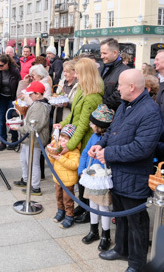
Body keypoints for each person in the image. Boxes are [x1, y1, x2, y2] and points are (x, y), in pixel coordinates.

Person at [89, 69, 163, 271]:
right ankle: (121, 249)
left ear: (132, 87)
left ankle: (137, 263)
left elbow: (142, 148)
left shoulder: (150, 111)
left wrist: (109, 154)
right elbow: (114, 131)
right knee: (120, 214)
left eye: (120, 85)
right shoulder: (125, 104)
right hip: (118, 172)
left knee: (136, 221)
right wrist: (101, 145)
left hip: (134, 175)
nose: (116, 89)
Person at [55, 58, 104, 224]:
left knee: (84, 175)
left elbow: (83, 125)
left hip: (86, 140)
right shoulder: (83, 91)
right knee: (81, 177)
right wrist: (61, 124)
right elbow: (73, 115)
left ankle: (87, 210)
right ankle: (82, 207)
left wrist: (68, 146)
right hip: (78, 137)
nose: (75, 75)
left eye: (77, 72)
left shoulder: (92, 97)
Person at [78, 104, 114, 251]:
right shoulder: (93, 137)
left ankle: (106, 234)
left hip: (103, 179)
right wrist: (81, 170)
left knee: (104, 207)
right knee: (92, 204)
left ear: (99, 125)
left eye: (92, 123)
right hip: (91, 177)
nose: (90, 125)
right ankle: (94, 230)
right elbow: (86, 152)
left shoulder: (109, 139)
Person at [13, 81, 51, 196]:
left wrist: (19, 129)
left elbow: (35, 126)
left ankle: (35, 186)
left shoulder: (40, 106)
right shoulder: (37, 103)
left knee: (33, 163)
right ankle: (25, 179)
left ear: (38, 94)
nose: (29, 96)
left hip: (34, 139)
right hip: (29, 138)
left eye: (31, 94)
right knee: (24, 160)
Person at [48, 124, 81, 229]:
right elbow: (52, 161)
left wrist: (60, 158)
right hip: (58, 178)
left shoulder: (74, 151)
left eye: (66, 138)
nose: (62, 139)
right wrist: (51, 154)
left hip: (68, 180)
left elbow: (74, 165)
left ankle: (69, 216)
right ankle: (60, 211)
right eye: (61, 136)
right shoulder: (59, 147)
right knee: (59, 197)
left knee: (68, 200)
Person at [0, 54, 21, 151]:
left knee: (12, 118)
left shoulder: (14, 71)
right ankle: (3, 141)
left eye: (1, 65)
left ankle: (14, 140)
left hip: (12, 97)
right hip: (1, 97)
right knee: (1, 119)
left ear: (7, 64)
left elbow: (19, 84)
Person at [99, 38, 129, 111]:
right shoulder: (101, 67)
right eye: (101, 53)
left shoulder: (125, 71)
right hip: (99, 113)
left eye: (104, 53)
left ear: (115, 53)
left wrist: (100, 104)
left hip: (112, 115)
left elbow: (119, 96)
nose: (101, 56)